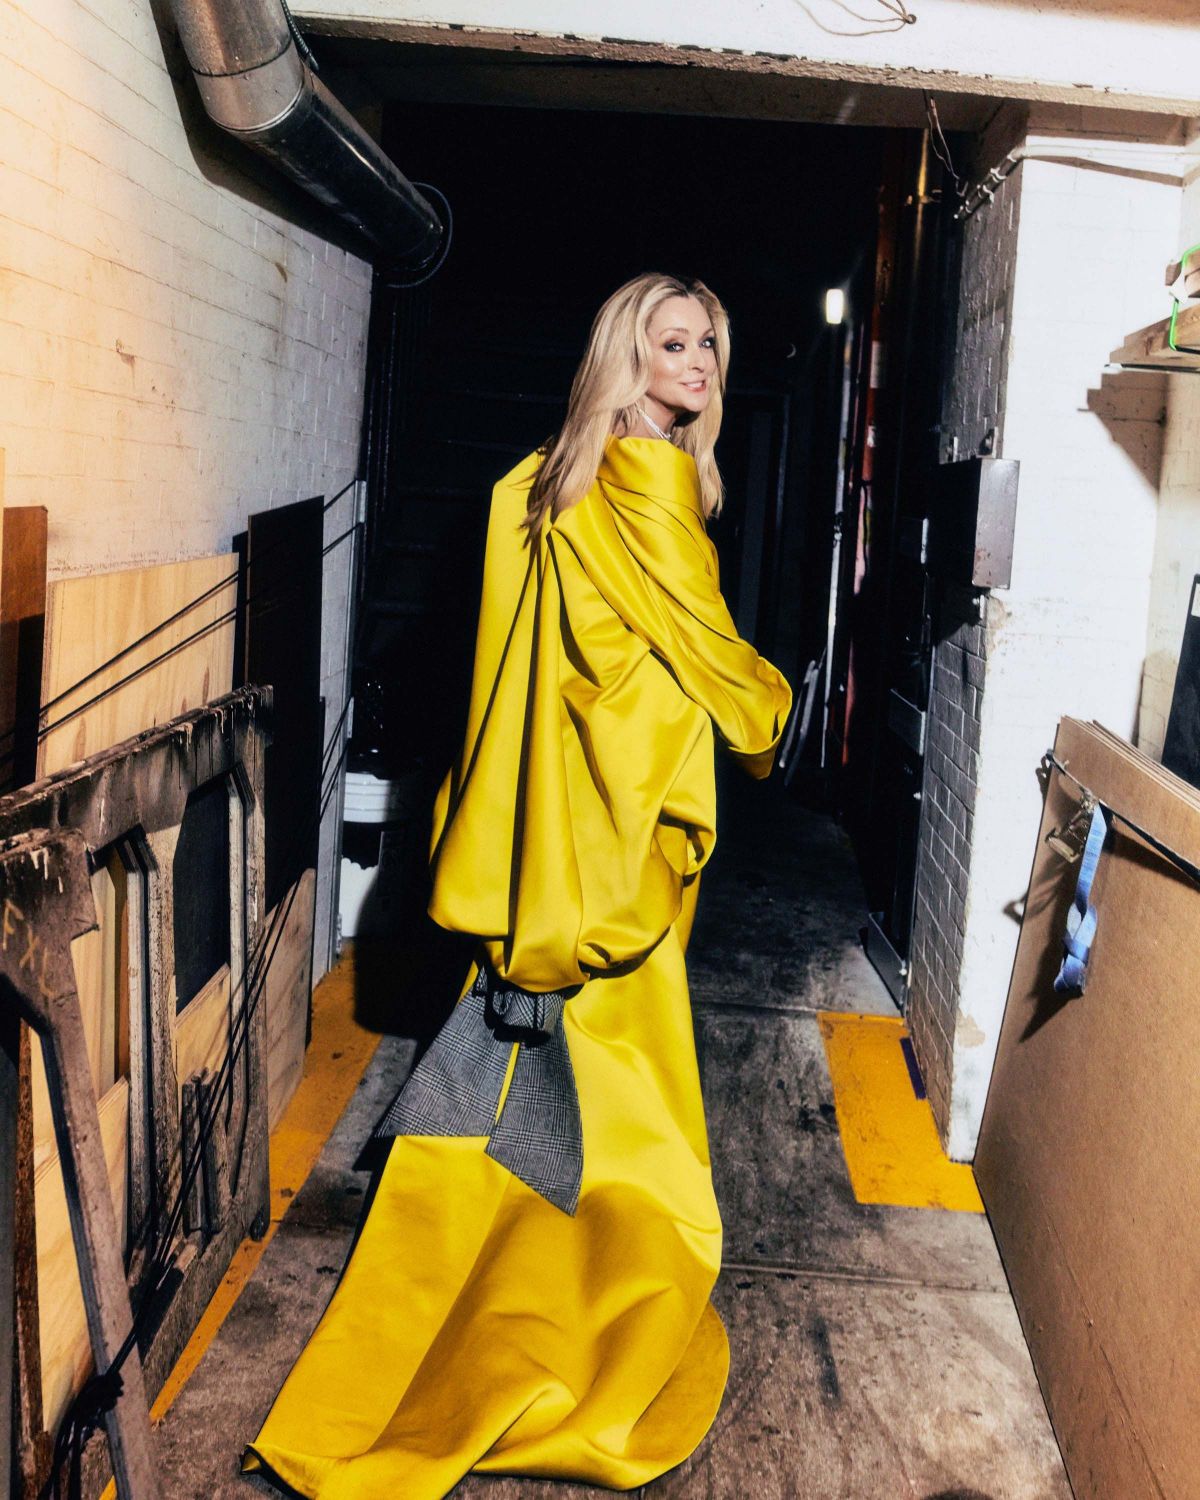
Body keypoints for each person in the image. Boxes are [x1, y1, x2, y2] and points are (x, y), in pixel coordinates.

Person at [243, 272, 792, 1497]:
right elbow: (707, 672)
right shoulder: (650, 487)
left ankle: (465, 1308)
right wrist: (770, 711)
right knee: (628, 1119)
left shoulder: (544, 483)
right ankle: (565, 1322)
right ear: (628, 357)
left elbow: (524, 676)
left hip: (543, 845)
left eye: (709, 343)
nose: (699, 363)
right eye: (673, 343)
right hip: (616, 861)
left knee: (522, 1091)